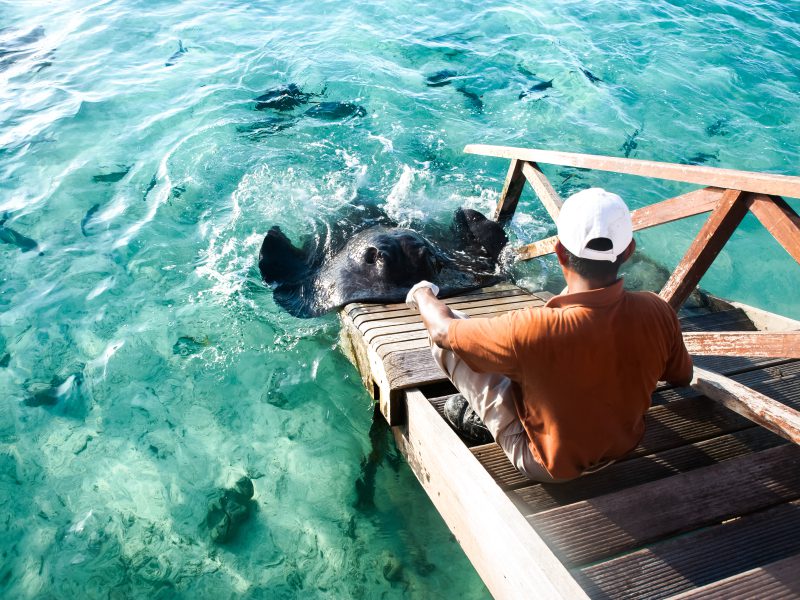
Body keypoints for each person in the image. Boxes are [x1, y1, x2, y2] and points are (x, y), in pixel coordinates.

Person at [406, 188, 693, 482]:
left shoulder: (530, 328)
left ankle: (490, 419)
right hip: (624, 446)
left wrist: (422, 293)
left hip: (546, 465)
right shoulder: (658, 310)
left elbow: (442, 332)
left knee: (452, 339)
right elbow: (682, 376)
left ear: (559, 252)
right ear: (629, 251)